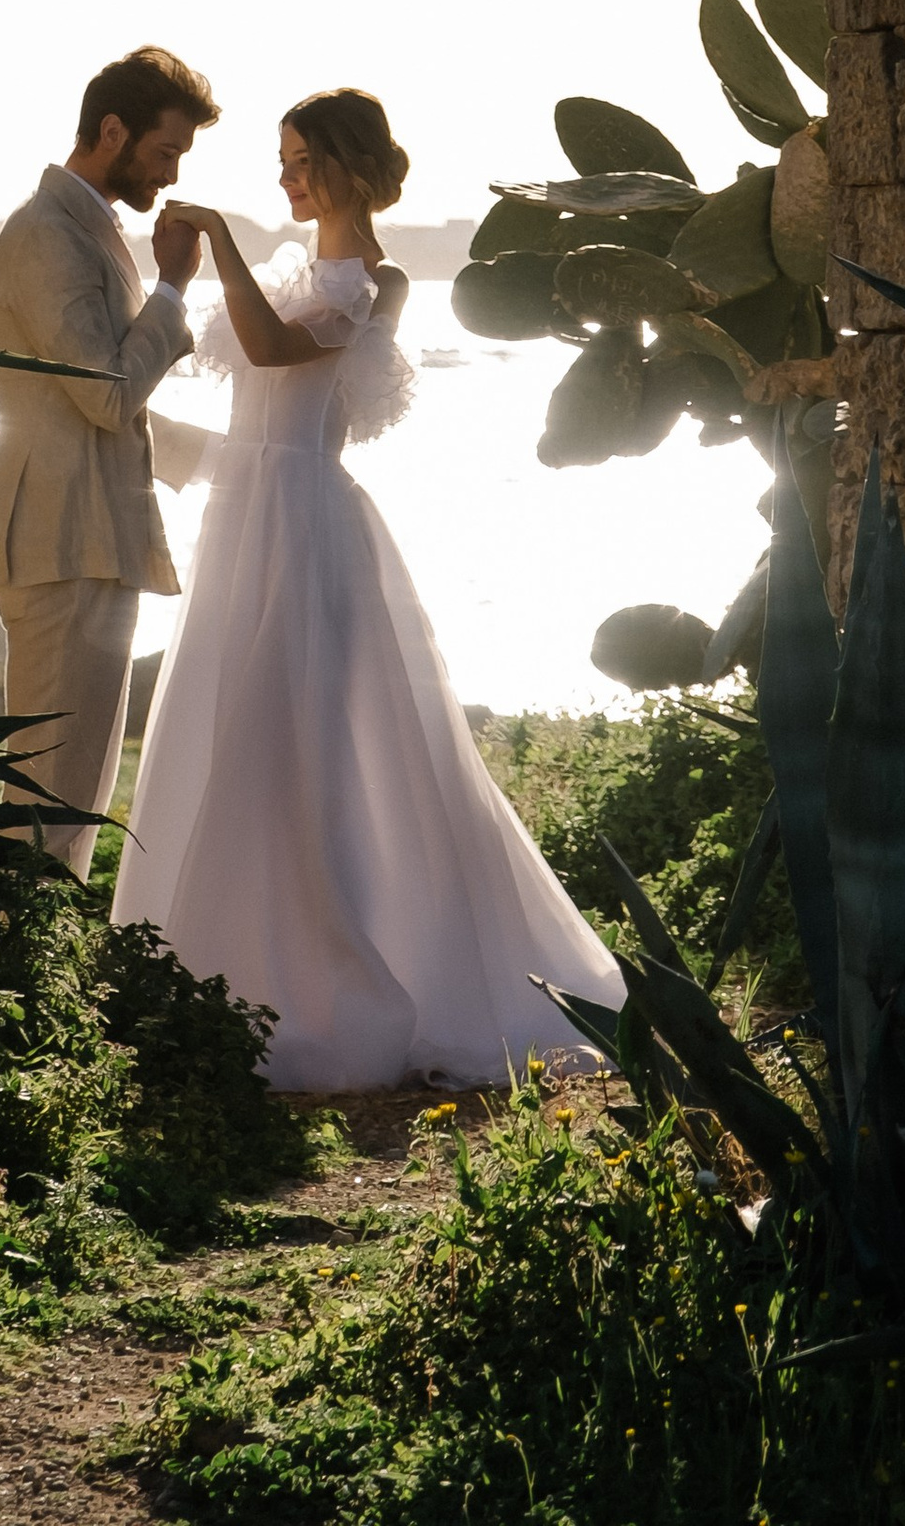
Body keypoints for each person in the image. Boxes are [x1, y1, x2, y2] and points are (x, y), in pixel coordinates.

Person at [115, 87, 623, 1090]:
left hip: (307, 530)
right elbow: (253, 410)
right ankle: (213, 976)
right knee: (230, 731)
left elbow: (274, 352)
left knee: (296, 744)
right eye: (282, 160)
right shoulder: (296, 269)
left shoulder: (378, 283)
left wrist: (215, 238)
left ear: (345, 166)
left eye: (300, 159)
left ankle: (338, 980)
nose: (286, 177)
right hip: (245, 523)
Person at [0, 45, 218, 877]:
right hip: (59, 541)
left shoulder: (91, 229)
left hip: (88, 537)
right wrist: (175, 288)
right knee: (51, 792)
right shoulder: (46, 235)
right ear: (111, 130)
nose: (171, 171)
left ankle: (26, 961)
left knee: (74, 785)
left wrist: (232, 458)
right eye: (164, 150)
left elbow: (93, 404)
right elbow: (109, 394)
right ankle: (14, 970)